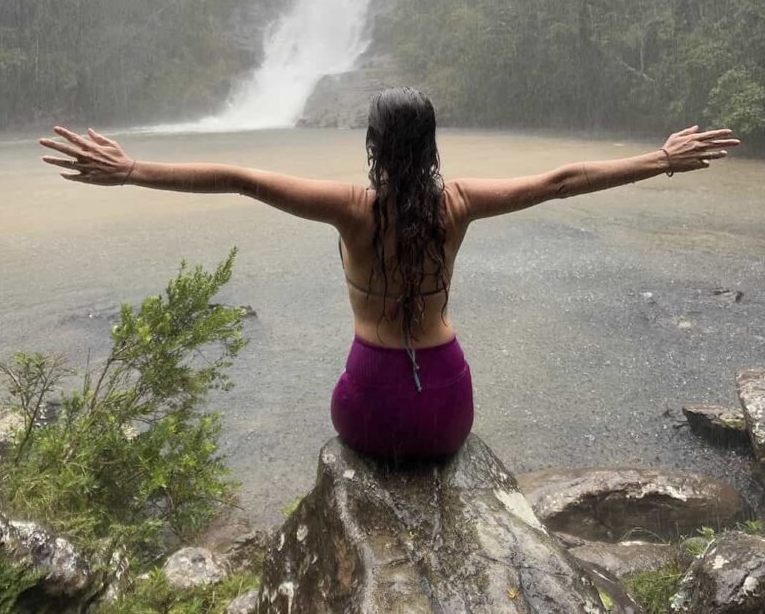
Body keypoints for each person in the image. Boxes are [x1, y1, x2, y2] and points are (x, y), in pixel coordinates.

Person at [39, 87, 740, 460]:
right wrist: (660, 160)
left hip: (370, 403)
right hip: (447, 405)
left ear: (372, 145)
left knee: (358, 428)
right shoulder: (459, 203)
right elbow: (562, 180)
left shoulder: (350, 208)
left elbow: (238, 178)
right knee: (436, 435)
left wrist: (131, 171)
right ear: (431, 145)